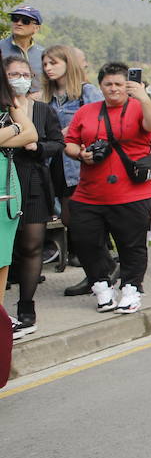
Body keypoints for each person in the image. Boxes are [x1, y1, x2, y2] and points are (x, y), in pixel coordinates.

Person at [62, 63, 151, 315]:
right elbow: (70, 142)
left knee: (131, 244)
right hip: (89, 192)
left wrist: (143, 97)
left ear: (128, 85)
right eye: (108, 84)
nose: (114, 88)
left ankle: (132, 288)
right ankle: (101, 286)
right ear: (101, 86)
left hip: (133, 192)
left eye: (119, 83)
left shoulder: (139, 107)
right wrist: (80, 154)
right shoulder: (87, 111)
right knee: (86, 241)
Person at [4, 56, 63, 340]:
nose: (19, 78)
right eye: (13, 73)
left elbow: (57, 143)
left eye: (24, 73)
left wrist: (36, 146)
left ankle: (27, 307)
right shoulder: (3, 108)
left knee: (31, 245)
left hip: (33, 180)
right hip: (4, 181)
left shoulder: (42, 110)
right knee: (6, 249)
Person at [41, 45, 103, 291]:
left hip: (79, 165)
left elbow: (101, 125)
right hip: (54, 166)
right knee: (71, 220)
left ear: (68, 63)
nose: (48, 68)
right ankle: (101, 270)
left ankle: (98, 272)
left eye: (53, 63)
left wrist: (68, 133)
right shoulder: (46, 97)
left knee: (79, 221)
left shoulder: (86, 93)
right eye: (45, 64)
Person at [0, 71, 41, 332]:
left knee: (3, 254)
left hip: (5, 179)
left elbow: (31, 134)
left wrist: (11, 129)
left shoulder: (9, 101)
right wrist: (14, 130)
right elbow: (22, 134)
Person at [1, 5, 45, 82]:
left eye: (25, 21)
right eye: (15, 19)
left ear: (37, 28)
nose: (19, 23)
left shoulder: (43, 54)